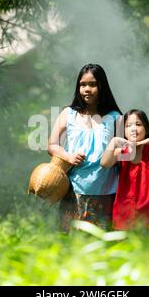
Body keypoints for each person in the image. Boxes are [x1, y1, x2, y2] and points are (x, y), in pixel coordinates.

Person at [48, 64, 122, 232]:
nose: (87, 89)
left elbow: (125, 153)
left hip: (106, 191)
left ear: (102, 86)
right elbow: (52, 145)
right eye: (83, 85)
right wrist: (68, 157)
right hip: (73, 189)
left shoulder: (115, 117)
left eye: (93, 84)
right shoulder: (68, 114)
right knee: (70, 240)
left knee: (101, 242)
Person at [100, 109, 149, 230]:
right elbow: (104, 163)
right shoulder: (121, 152)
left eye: (138, 124)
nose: (133, 129)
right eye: (128, 126)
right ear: (124, 131)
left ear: (146, 129)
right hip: (125, 208)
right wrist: (114, 141)